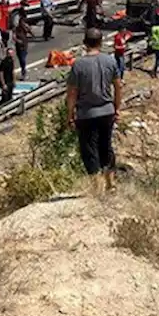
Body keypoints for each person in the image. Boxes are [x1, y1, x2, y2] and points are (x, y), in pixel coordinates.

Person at [66, 28, 123, 193]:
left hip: (86, 114)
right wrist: (116, 107)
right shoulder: (110, 61)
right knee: (106, 146)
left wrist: (70, 115)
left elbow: (72, 93)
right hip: (107, 111)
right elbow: (118, 86)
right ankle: (111, 184)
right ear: (101, 42)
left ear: (85, 44)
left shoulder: (78, 64)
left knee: (89, 150)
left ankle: (97, 187)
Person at [13, 11, 32, 79]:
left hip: (24, 45)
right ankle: (23, 71)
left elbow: (30, 32)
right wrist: (18, 41)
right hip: (19, 46)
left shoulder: (24, 28)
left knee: (23, 59)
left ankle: (24, 72)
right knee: (21, 59)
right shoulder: (16, 29)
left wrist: (28, 28)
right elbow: (14, 37)